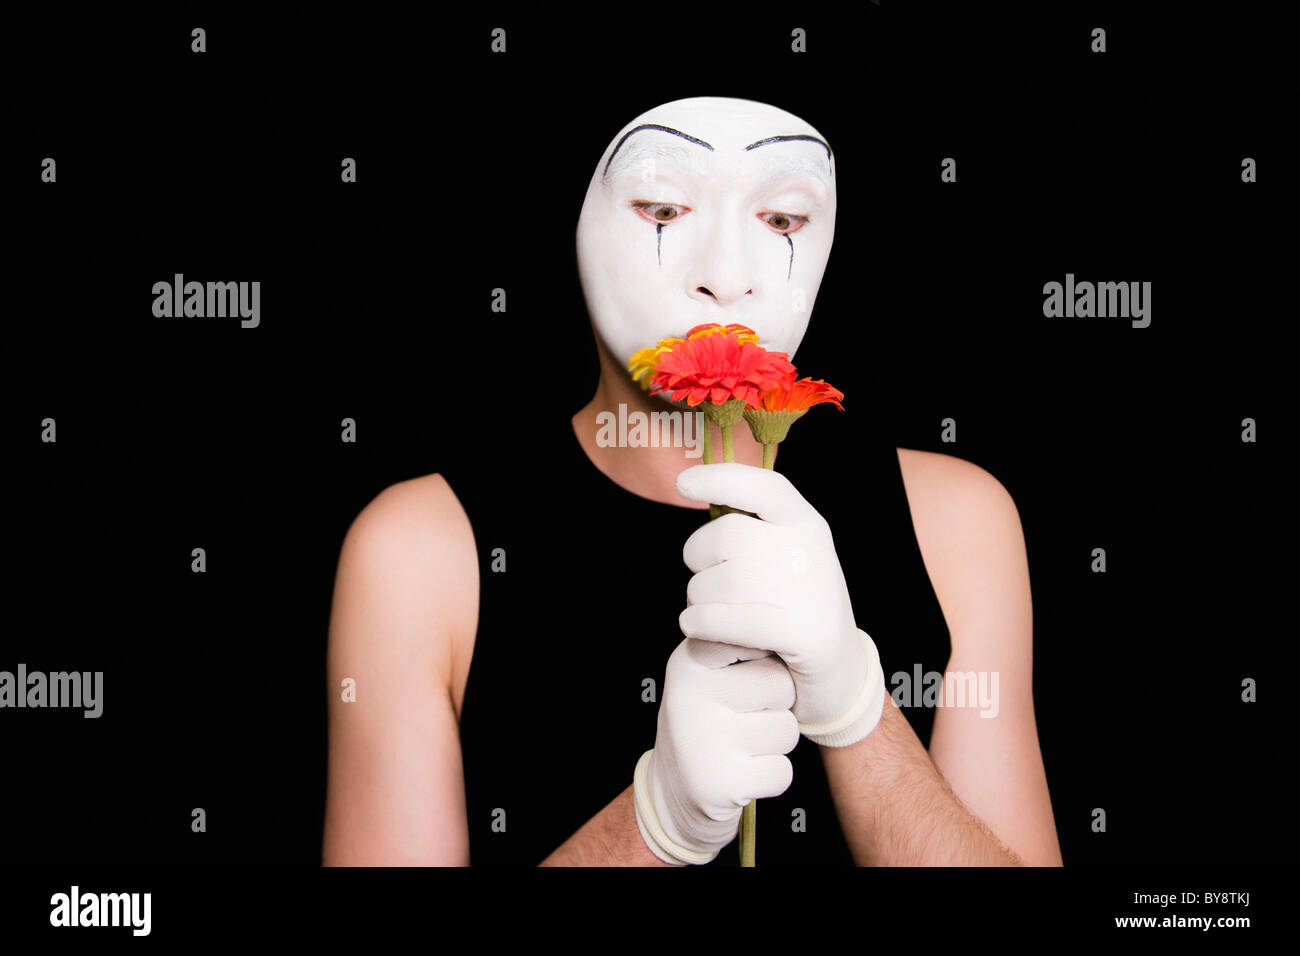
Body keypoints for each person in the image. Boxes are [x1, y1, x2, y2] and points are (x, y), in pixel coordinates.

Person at [321, 96, 1062, 866]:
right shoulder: (416, 555)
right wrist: (656, 823)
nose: (727, 278)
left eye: (780, 220)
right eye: (663, 207)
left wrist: (856, 712)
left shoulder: (959, 524)